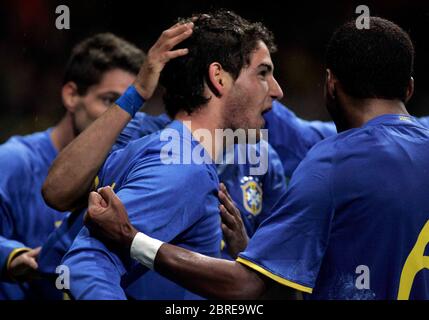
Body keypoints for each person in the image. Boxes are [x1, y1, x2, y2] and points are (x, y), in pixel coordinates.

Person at [85, 17, 429, 300]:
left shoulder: (334, 161)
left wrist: (131, 238)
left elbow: (246, 287)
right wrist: (258, 254)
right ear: (410, 88)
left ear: (330, 86)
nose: (277, 90)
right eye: (263, 74)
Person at [44, 10, 284, 300]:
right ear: (219, 77)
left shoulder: (174, 150)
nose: (277, 91)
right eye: (262, 73)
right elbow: (87, 260)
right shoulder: (180, 164)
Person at [0, 33, 146, 299]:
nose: (124, 118)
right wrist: (11, 256)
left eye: (133, 106)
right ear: (71, 96)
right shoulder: (13, 161)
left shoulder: (125, 169)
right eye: (110, 101)